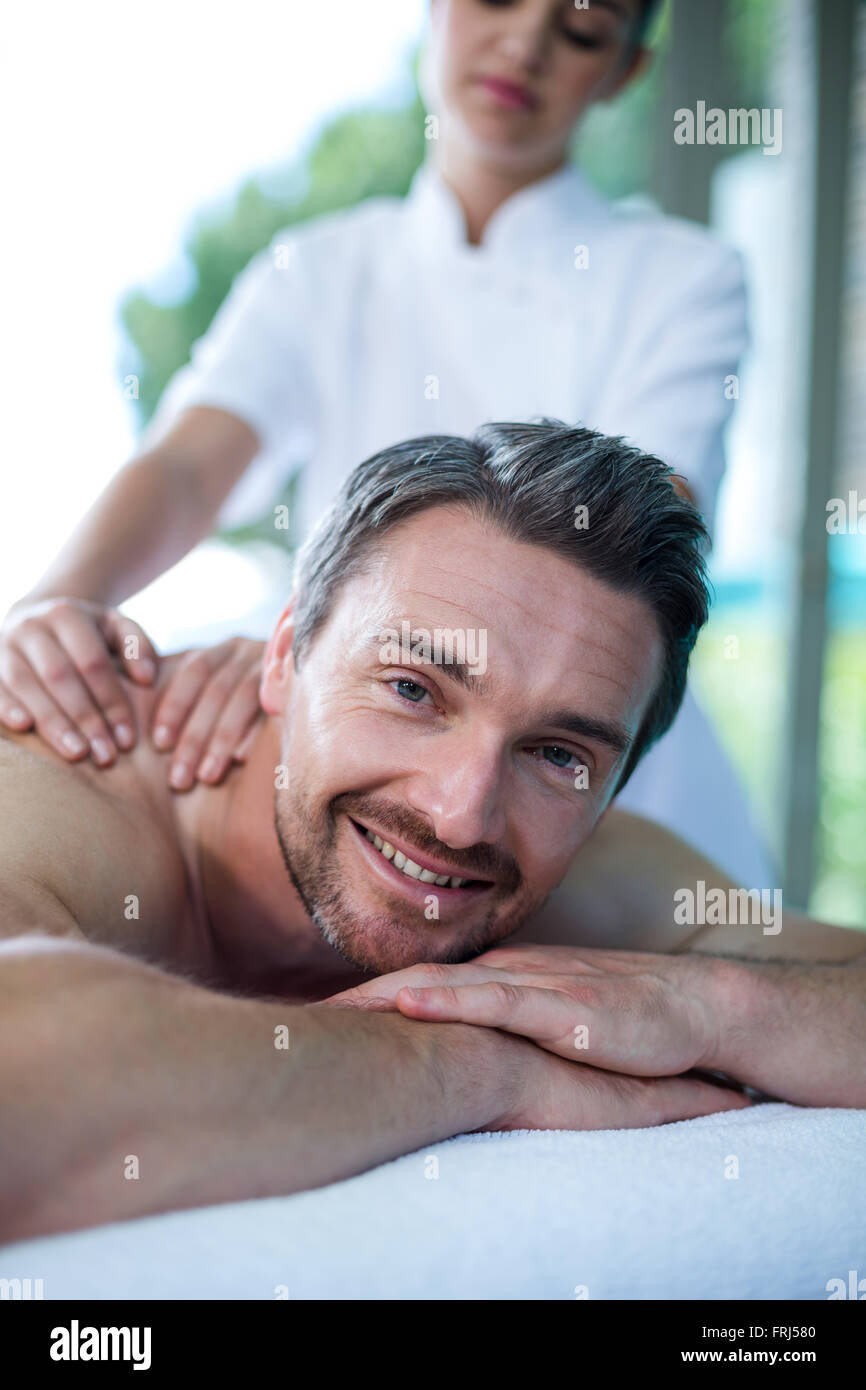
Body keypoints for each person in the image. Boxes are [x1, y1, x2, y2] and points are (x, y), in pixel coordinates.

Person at [1, 422, 862, 1244]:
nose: (462, 816)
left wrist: (708, 1006)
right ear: (284, 655)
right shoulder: (58, 795)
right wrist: (478, 1067)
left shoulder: (606, 881)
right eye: (413, 691)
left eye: (557, 753)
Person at [0, 0, 769, 883]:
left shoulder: (683, 276)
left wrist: (344, 650)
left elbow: (650, 524)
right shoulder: (321, 266)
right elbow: (186, 465)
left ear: (625, 70)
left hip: (596, 781)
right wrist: (56, 603)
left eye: (583, 28)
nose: (525, 45)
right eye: (495, 1)